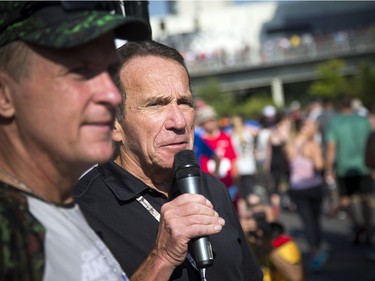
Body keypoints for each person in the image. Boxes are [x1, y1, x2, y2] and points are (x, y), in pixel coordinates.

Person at [74, 40, 263, 281]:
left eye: (184, 102)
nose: (179, 122)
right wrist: (162, 258)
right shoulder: (82, 213)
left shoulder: (211, 188)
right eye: (156, 104)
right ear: (113, 124)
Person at [0, 1, 151, 280]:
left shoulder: (55, 204)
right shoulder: (11, 232)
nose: (112, 95)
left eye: (109, 72)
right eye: (81, 71)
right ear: (5, 95)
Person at [326, 96, 373, 245]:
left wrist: (328, 167)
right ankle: (367, 227)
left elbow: (331, 147)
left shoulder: (335, 123)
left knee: (345, 199)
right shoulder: (363, 121)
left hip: (344, 168)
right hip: (364, 166)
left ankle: (357, 225)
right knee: (365, 198)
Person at [284, 119, 328, 273]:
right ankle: (317, 248)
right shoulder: (312, 145)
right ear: (304, 128)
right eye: (311, 126)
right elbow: (319, 166)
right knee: (315, 219)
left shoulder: (290, 144)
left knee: (306, 219)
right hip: (313, 186)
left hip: (297, 188)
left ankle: (314, 248)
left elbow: (288, 165)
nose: (314, 128)